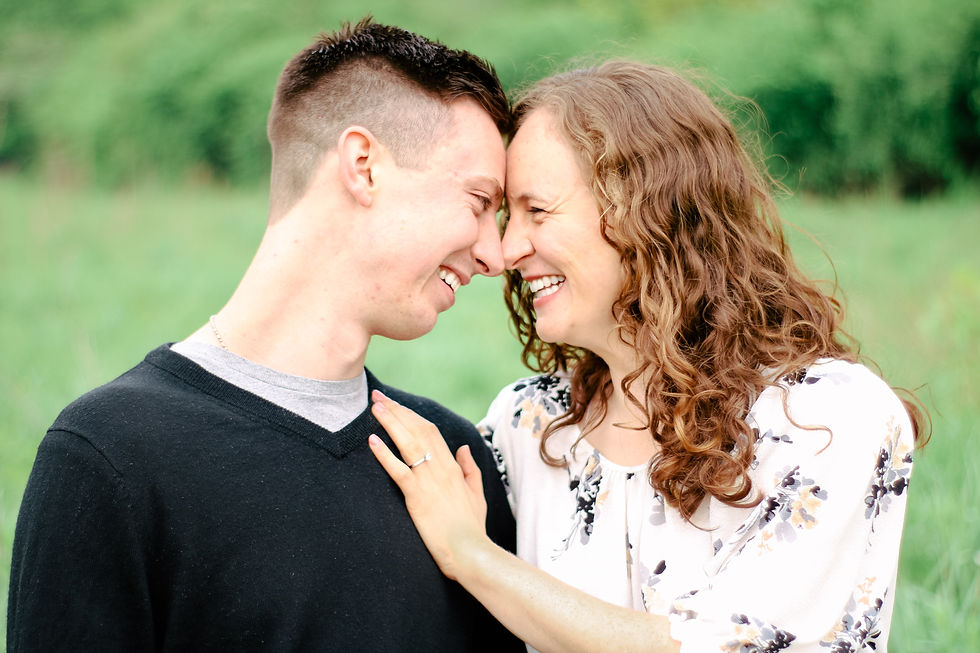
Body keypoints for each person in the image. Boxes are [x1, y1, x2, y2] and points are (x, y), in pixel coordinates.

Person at [368, 60, 928, 652]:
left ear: (649, 210)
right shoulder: (530, 425)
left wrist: (475, 559)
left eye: (538, 210)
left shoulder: (824, 418)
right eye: (509, 216)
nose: (507, 250)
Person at [8, 18, 523, 652]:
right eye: (479, 201)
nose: (496, 254)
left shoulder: (450, 459)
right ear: (363, 165)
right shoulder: (109, 456)